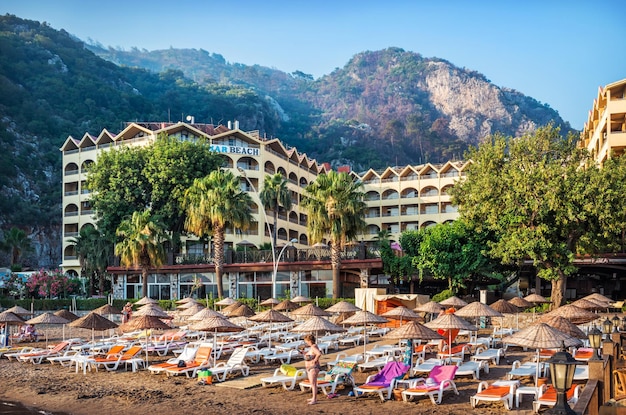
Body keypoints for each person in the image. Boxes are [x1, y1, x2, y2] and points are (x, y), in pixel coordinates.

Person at [303, 334, 322, 405]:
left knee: (313, 384)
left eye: (306, 341)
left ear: (309, 341)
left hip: (313, 367)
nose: (306, 343)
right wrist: (304, 353)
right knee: (312, 383)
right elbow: (313, 355)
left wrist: (315, 360)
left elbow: (318, 354)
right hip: (311, 367)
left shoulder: (313, 347)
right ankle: (313, 397)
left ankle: (314, 399)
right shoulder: (313, 347)